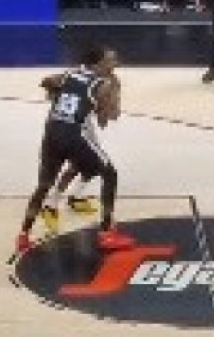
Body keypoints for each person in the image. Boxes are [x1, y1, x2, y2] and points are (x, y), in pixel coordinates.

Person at [16, 47, 133, 254]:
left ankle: (23, 235)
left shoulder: (70, 73)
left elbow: (46, 81)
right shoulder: (103, 84)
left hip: (52, 132)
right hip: (73, 134)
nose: (115, 64)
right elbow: (106, 119)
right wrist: (115, 93)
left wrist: (55, 94)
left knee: (43, 185)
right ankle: (107, 233)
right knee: (110, 174)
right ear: (98, 64)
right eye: (111, 61)